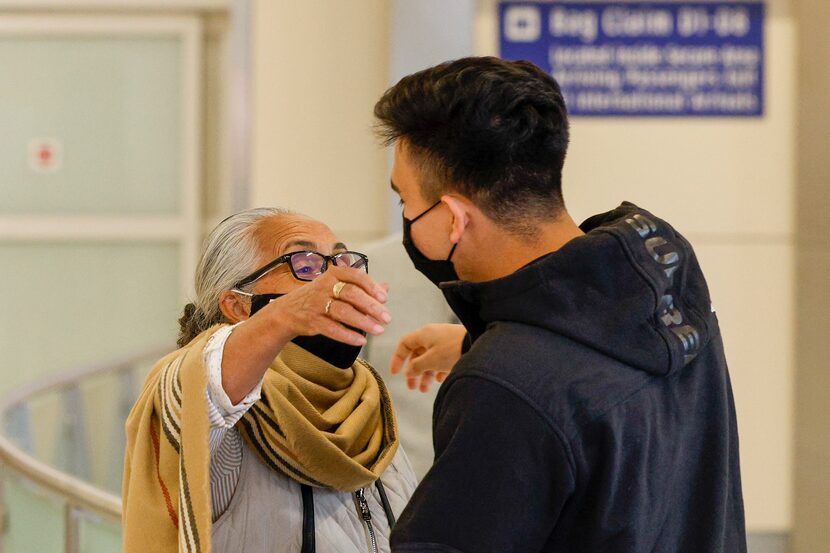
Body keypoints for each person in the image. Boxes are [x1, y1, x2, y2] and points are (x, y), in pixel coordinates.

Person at [374, 57, 746, 553]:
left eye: (406, 202)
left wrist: (499, 358)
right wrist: (479, 340)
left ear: (453, 219)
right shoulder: (663, 273)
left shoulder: (503, 384)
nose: (406, 218)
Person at [122, 208, 417, 553]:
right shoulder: (229, 421)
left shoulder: (368, 401)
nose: (335, 279)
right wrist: (284, 317)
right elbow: (197, 389)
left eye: (341, 261)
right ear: (238, 305)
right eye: (305, 267)